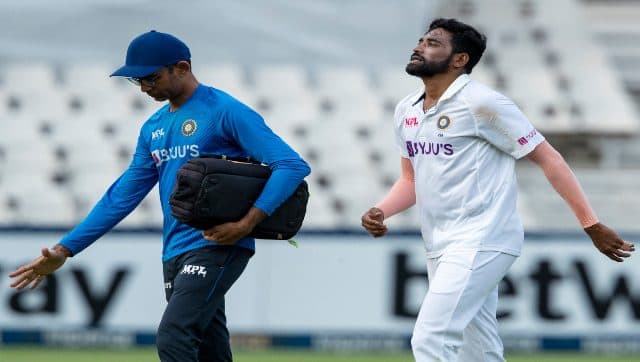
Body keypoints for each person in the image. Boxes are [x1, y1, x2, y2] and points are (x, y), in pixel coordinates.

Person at [8, 30, 311, 362]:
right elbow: (122, 196)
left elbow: (291, 165)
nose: (143, 88)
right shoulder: (152, 127)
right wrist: (65, 249)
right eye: (136, 81)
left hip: (218, 245)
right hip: (174, 251)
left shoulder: (224, 111)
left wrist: (247, 222)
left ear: (182, 67)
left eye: (151, 78)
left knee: (174, 336)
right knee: (210, 350)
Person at [361, 18, 635, 362]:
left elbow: (549, 159)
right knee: (480, 351)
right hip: (439, 242)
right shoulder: (407, 109)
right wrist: (382, 210)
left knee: (430, 338)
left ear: (460, 60)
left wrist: (591, 223)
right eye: (420, 40)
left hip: (483, 238)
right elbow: (411, 180)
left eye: (432, 43)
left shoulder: (483, 104)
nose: (419, 47)